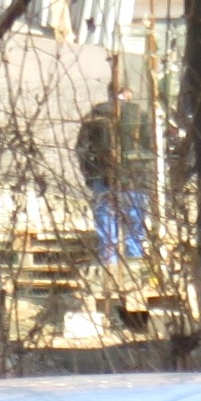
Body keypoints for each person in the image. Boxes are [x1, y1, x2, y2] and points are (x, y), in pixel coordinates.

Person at [76, 89, 153, 267]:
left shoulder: (96, 114)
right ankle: (135, 265)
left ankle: (110, 264)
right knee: (134, 227)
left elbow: (82, 149)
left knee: (107, 229)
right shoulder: (139, 115)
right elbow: (150, 148)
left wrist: (90, 174)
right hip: (135, 181)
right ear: (128, 93)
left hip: (103, 179)